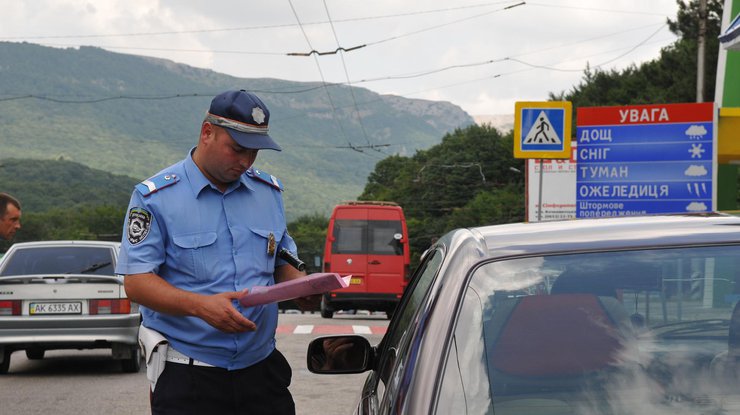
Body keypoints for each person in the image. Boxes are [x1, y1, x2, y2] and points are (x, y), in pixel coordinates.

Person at [116, 90, 311, 415]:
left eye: (254, 152)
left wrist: (303, 287)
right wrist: (201, 307)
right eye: (237, 149)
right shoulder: (155, 198)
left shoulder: (268, 193)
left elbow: (282, 259)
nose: (246, 161)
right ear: (207, 132)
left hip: (261, 372)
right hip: (189, 376)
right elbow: (136, 282)